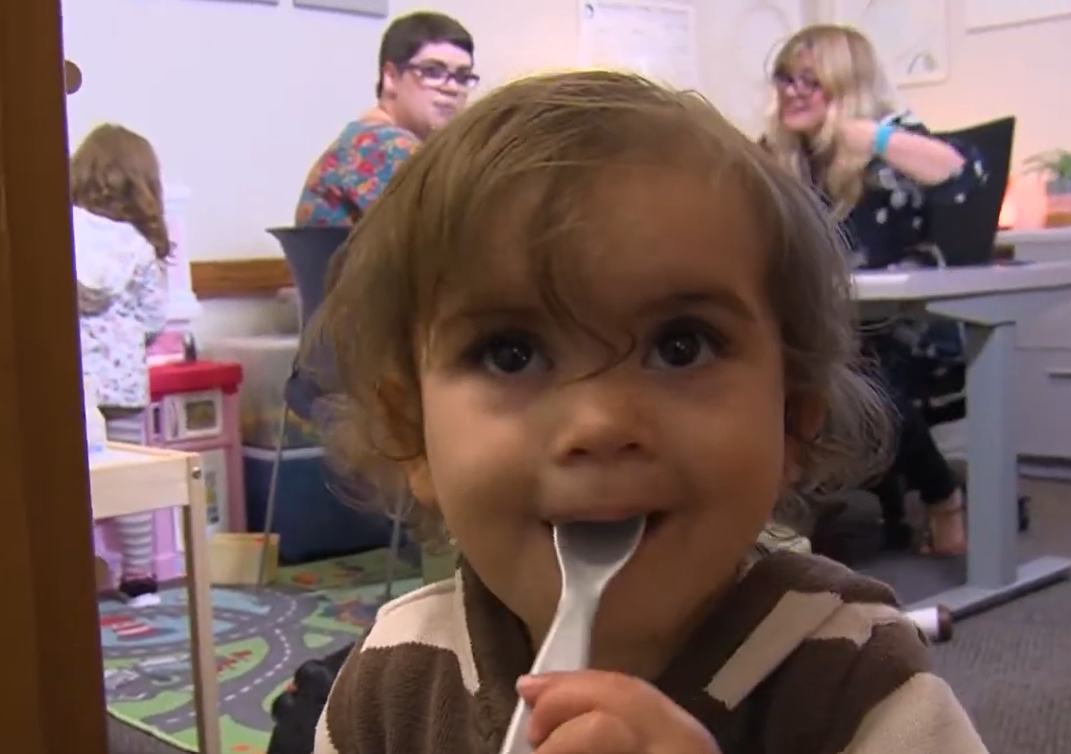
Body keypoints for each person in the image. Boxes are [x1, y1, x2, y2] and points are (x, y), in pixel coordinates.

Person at [303, 70, 988, 754]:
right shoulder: (391, 680)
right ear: (410, 431)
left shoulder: (859, 684)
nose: (600, 424)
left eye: (680, 346)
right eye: (510, 354)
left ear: (793, 418)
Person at [763, 24, 988, 557]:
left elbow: (966, 174)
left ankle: (941, 495)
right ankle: (775, 508)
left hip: (908, 328)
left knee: (858, 367)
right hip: (827, 323)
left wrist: (876, 139)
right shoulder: (784, 156)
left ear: (844, 85)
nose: (793, 91)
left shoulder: (890, 140)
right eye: (785, 79)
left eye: (810, 81)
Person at [71, 123, 171, 606]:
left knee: (74, 480)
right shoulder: (138, 247)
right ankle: (140, 580)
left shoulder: (58, 233)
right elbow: (154, 319)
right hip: (124, 384)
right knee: (130, 485)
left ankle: (74, 571)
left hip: (72, 384)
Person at [295, 11, 477, 226]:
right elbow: (452, 239)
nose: (452, 87)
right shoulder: (384, 145)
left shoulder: (365, 136)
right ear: (390, 77)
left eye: (463, 76)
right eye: (432, 71)